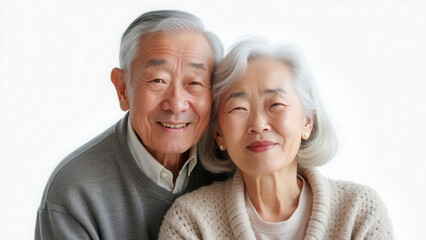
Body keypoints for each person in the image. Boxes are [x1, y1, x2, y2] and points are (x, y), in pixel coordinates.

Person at [159, 38, 394, 239]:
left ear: (307, 122)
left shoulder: (358, 212)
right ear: (218, 134)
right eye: (239, 108)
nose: (259, 124)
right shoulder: (191, 222)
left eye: (276, 104)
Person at [35, 10, 228, 239]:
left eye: (195, 82)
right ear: (123, 89)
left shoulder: (233, 164)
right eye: (158, 80)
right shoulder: (75, 190)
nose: (176, 104)